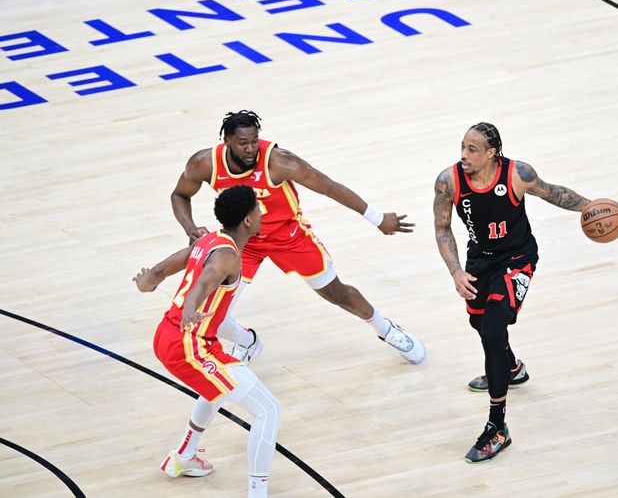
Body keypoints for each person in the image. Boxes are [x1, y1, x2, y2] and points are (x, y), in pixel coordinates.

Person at [171, 110, 426, 365]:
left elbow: (329, 187)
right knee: (214, 311)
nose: (250, 149)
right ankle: (247, 341)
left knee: (337, 293)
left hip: (288, 235)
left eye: (254, 141)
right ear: (226, 141)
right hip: (241, 241)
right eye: (243, 143)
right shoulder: (204, 164)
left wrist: (377, 218)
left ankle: (387, 329)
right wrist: (190, 227)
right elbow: (180, 195)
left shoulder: (280, 162)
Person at [433, 122, 597, 463]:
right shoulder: (448, 181)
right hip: (478, 261)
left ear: (493, 153)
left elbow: (554, 193)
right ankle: (510, 368)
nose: (463, 155)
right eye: (462, 147)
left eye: (472, 149)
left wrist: (590, 207)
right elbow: (442, 226)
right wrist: (455, 271)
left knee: (493, 329)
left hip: (517, 258)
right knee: (478, 325)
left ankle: (497, 427)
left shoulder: (517, 174)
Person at [134, 185, 280, 497]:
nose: (261, 213)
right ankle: (258, 492)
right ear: (247, 222)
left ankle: (185, 455)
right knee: (269, 410)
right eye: (258, 209)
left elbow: (161, 269)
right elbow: (204, 281)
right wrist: (190, 308)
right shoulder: (227, 257)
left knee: (222, 382)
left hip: (170, 334)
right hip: (188, 344)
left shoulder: (209, 240)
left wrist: (150, 281)